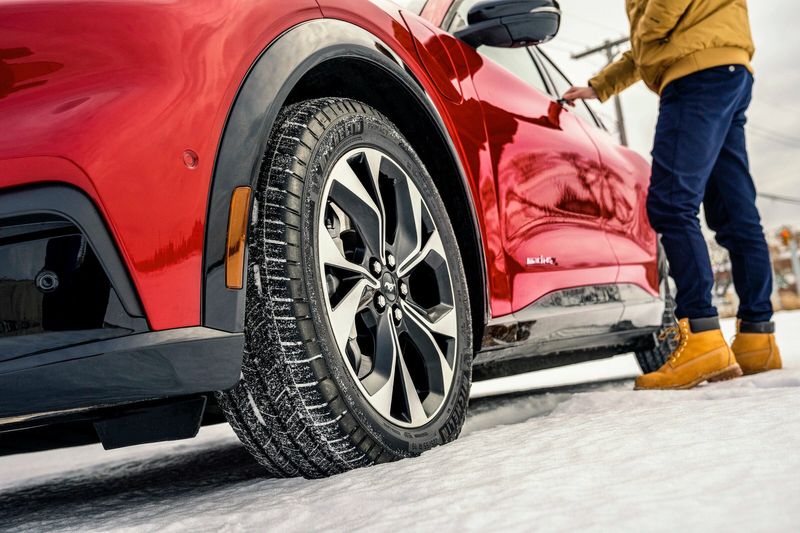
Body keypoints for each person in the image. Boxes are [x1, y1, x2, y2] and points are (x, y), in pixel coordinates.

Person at [563, 0, 782, 390]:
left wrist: (647, 37)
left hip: (694, 76)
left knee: (670, 204)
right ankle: (757, 337)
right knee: (735, 212)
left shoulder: (666, 31)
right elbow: (649, 43)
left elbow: (658, 22)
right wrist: (600, 86)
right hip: (726, 67)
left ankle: (701, 335)